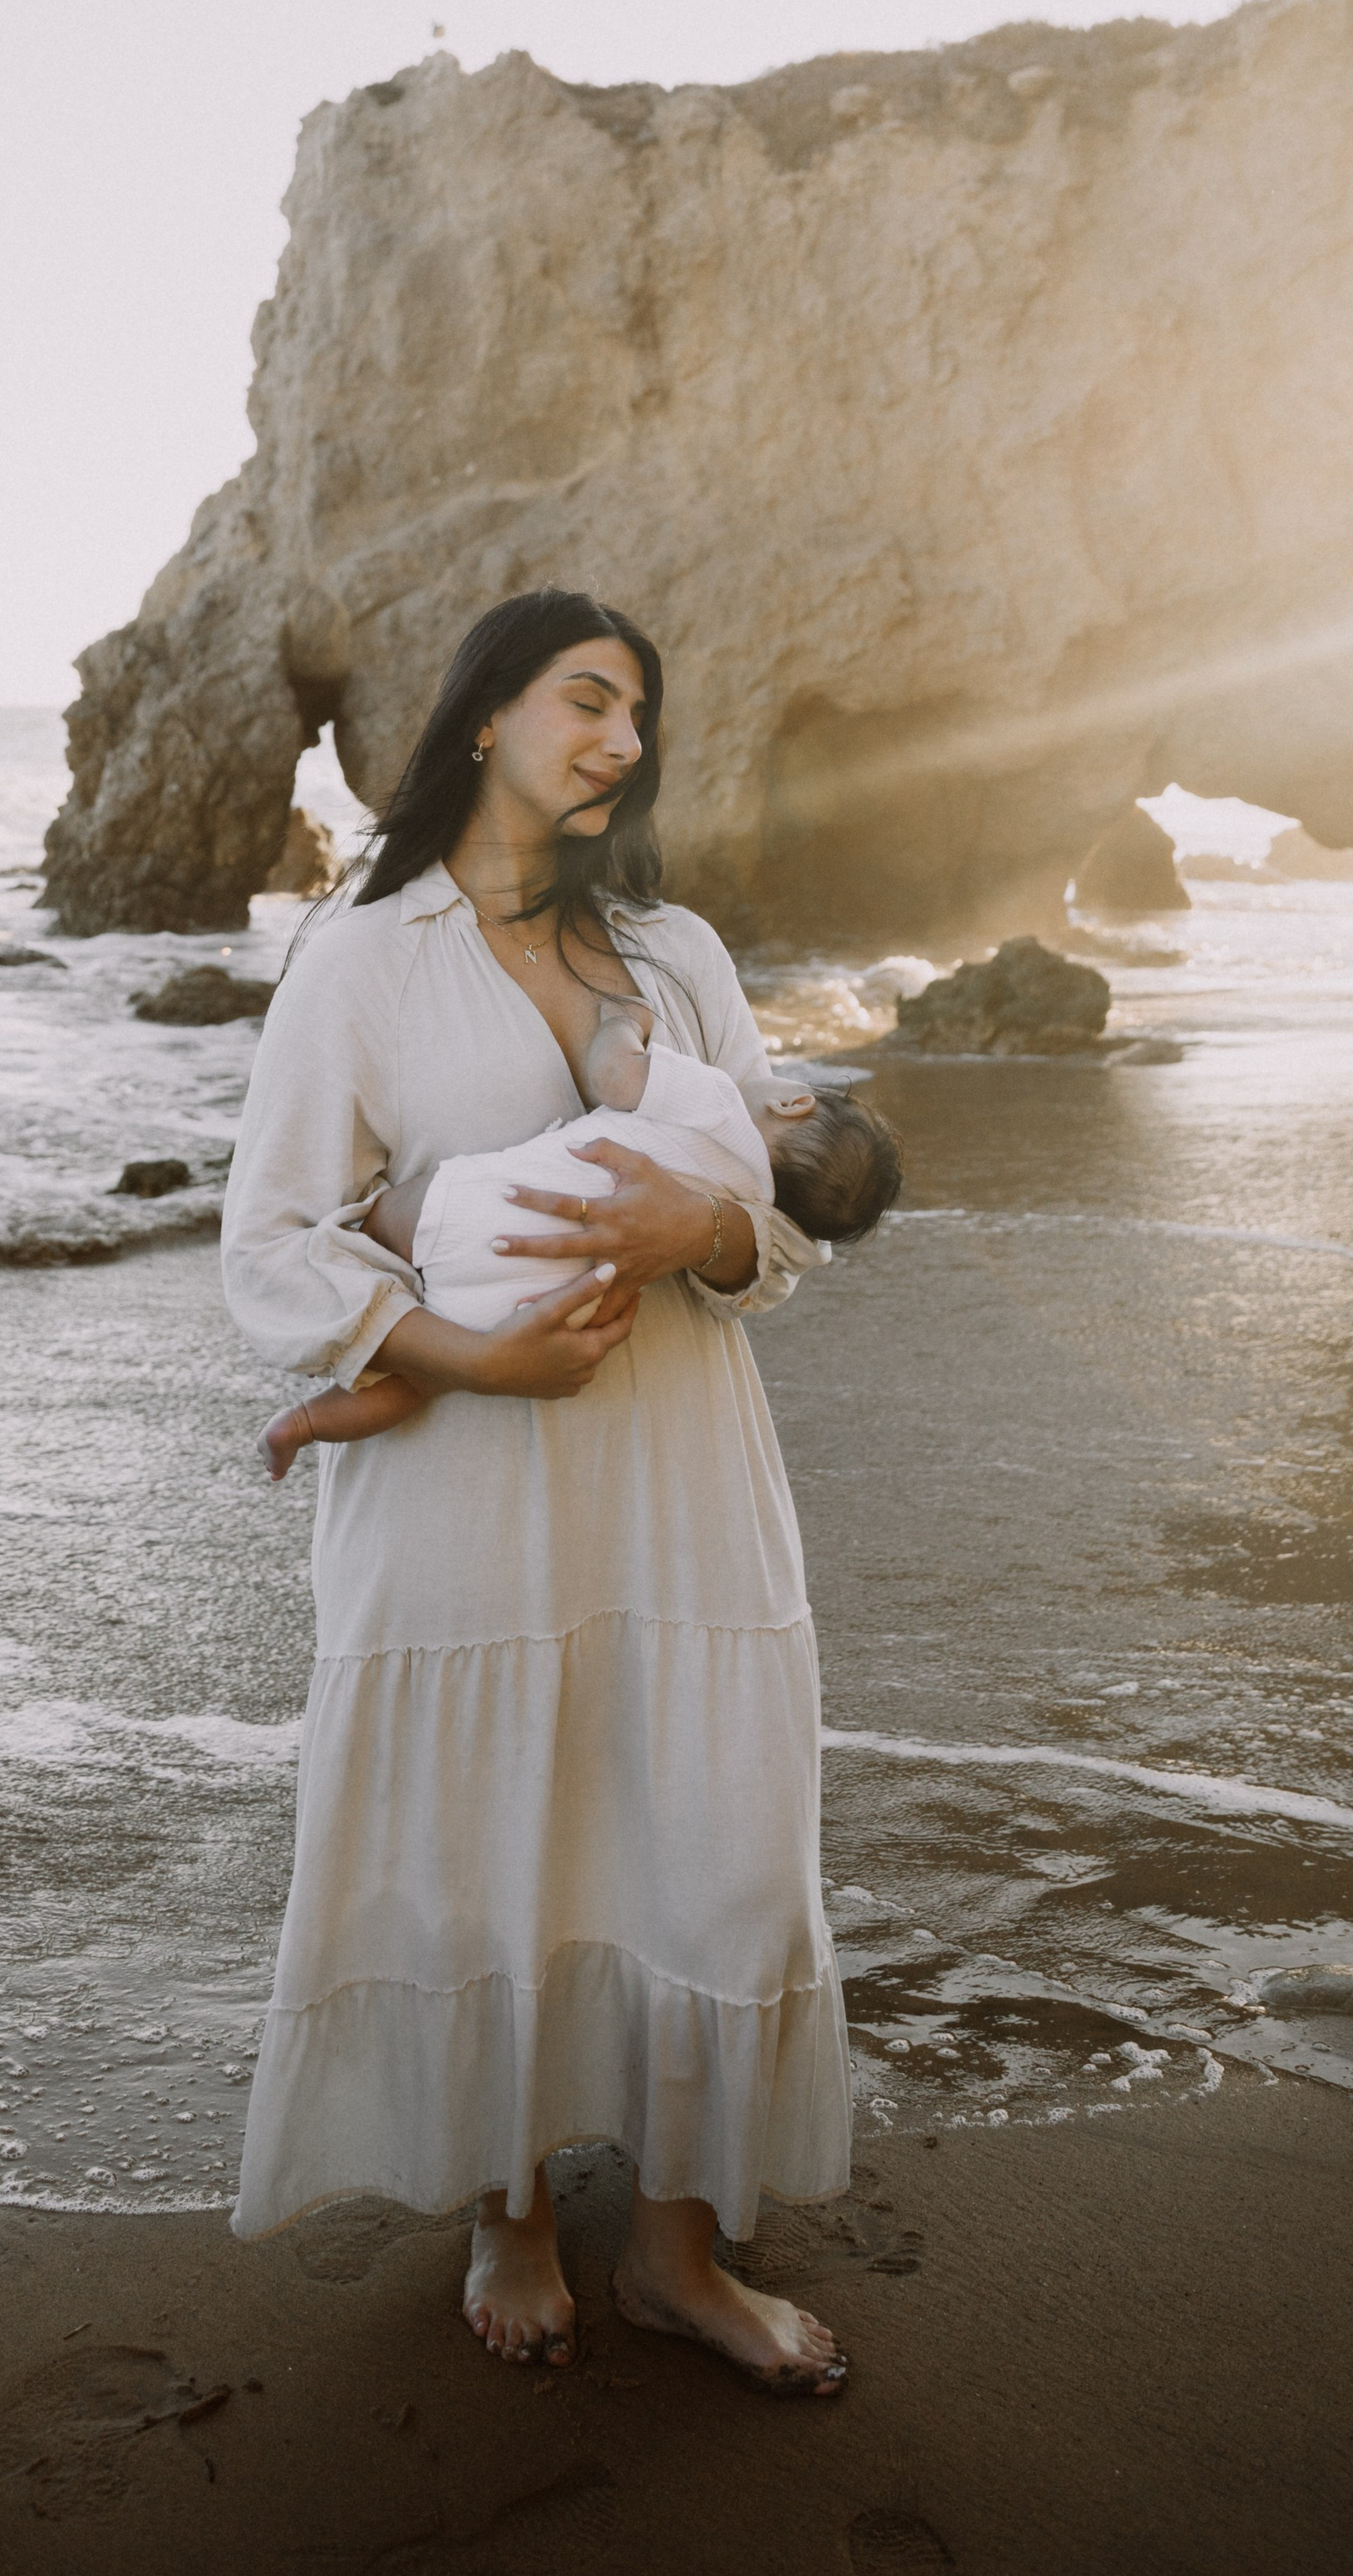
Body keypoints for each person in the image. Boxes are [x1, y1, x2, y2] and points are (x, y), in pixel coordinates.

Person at [220, 588, 858, 2392]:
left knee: (706, 1836)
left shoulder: (672, 955)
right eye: (587, 699)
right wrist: (476, 1356)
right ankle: (504, 2205)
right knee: (477, 1842)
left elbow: (772, 1201)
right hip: (461, 1481)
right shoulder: (360, 959)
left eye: (637, 716)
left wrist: (710, 1222)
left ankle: (670, 2248)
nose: (618, 742)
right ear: (486, 714)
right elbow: (269, 1247)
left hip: (677, 1464)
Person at [258, 993, 900, 1479]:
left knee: (380, 1221)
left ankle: (344, 1281)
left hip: (487, 1213)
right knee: (423, 1381)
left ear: (793, 1103)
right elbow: (777, 1260)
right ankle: (306, 1422)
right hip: (545, 1302)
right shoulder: (750, 1204)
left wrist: (625, 1022)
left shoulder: (718, 1100)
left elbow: (616, 1077)